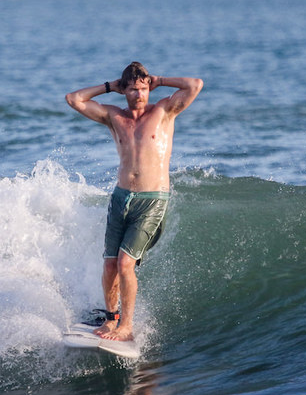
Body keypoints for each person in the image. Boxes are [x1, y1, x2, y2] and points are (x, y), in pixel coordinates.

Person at [65, 62, 203, 341]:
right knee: (109, 265)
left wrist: (160, 80)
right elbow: (74, 99)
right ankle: (111, 319)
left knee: (126, 264)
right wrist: (108, 87)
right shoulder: (114, 117)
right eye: (132, 90)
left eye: (143, 89)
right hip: (120, 197)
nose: (139, 95)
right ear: (123, 90)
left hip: (152, 199)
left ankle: (126, 326)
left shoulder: (164, 111)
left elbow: (195, 85)